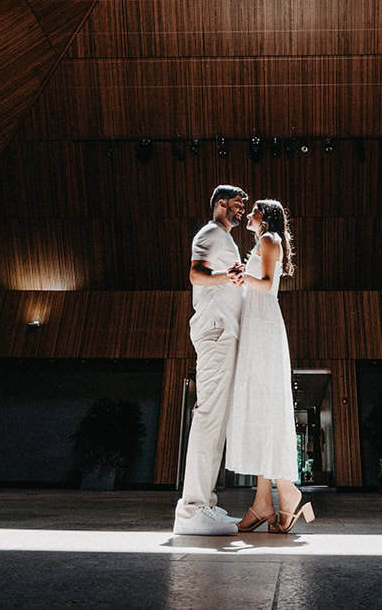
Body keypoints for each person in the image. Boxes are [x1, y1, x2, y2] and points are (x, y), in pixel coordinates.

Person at [224, 198, 315, 534]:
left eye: (254, 211)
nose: (248, 215)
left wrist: (240, 277)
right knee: (262, 410)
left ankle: (286, 493)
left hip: (263, 327)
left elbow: (265, 284)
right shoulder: (265, 241)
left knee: (264, 407)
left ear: (265, 216)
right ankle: (264, 500)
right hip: (257, 326)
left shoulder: (268, 239)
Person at [172, 184, 248, 536]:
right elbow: (195, 273)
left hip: (224, 332)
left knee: (216, 421)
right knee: (208, 417)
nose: (242, 210)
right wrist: (226, 277)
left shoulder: (225, 238)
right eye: (237, 204)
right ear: (220, 202)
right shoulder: (211, 233)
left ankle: (206, 504)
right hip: (215, 331)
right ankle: (191, 510)